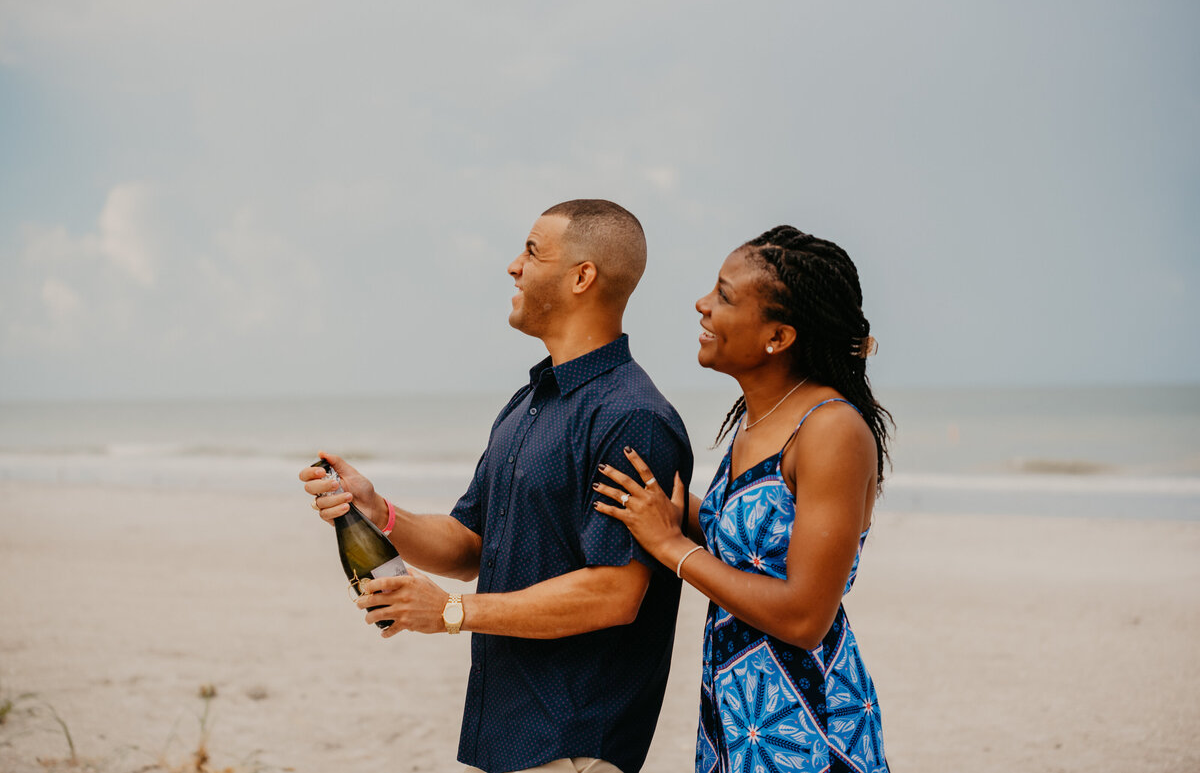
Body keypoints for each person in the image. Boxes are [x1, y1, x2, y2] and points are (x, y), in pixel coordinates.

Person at [300, 199, 693, 773]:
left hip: (575, 745)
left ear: (582, 276)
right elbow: (469, 547)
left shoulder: (629, 417)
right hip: (507, 734)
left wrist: (452, 612)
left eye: (532, 251)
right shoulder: (529, 404)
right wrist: (379, 511)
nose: (513, 265)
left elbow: (615, 593)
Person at [594, 226, 892, 773]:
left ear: (777, 337)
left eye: (725, 296)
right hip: (739, 707)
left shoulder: (830, 430)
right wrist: (672, 509)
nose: (702, 305)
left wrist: (673, 549)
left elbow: (806, 617)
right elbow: (752, 548)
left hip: (803, 718)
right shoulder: (761, 421)